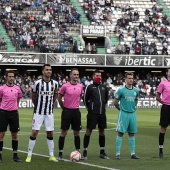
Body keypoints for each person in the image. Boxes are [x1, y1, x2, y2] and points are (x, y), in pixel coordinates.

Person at [25, 64, 58, 163]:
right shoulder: (38, 83)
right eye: (47, 70)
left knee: (50, 132)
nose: (49, 71)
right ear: (43, 71)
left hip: (49, 113)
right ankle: (29, 155)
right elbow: (34, 96)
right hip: (38, 112)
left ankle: (51, 155)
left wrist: (51, 103)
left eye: (50, 70)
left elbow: (55, 94)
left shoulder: (55, 83)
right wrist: (37, 106)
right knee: (34, 132)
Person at [82, 70, 109, 160]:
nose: (99, 77)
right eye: (97, 75)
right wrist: (90, 109)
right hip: (93, 113)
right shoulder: (89, 87)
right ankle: (85, 152)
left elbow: (106, 99)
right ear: (93, 76)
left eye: (100, 75)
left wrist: (102, 108)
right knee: (88, 131)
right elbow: (85, 100)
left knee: (102, 131)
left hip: (102, 113)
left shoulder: (104, 87)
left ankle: (102, 152)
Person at [58, 68, 83, 160]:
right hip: (66, 111)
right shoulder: (65, 86)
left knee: (76, 133)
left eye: (77, 74)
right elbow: (59, 98)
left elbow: (80, 96)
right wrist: (64, 108)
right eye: (74, 74)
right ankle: (60, 153)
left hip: (76, 112)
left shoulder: (80, 86)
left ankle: (78, 152)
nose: (76, 76)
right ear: (71, 76)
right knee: (64, 132)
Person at [114, 72, 140, 160]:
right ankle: (117, 153)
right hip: (123, 114)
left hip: (132, 114)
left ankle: (133, 153)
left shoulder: (136, 90)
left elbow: (136, 101)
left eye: (132, 78)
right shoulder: (120, 90)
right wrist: (121, 110)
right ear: (125, 79)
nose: (131, 80)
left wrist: (132, 107)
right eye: (129, 78)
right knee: (120, 133)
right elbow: (115, 102)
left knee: (132, 133)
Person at [0, 71, 22, 163]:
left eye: (12, 76)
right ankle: (0, 156)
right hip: (3, 113)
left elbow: (18, 98)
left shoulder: (17, 88)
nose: (11, 78)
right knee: (1, 135)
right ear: (6, 77)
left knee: (15, 135)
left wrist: (15, 107)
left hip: (14, 113)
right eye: (9, 76)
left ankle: (15, 156)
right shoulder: (1, 89)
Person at [156, 67, 170, 158]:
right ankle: (160, 150)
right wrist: (164, 103)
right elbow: (157, 97)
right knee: (163, 129)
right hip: (165, 108)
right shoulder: (163, 83)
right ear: (167, 73)